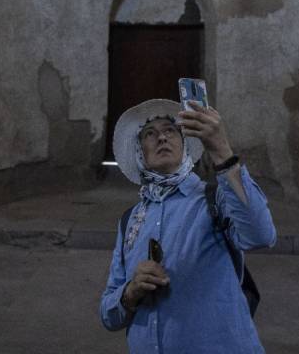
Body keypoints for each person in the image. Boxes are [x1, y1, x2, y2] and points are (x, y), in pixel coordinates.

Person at [99, 98, 276, 353]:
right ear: (140, 154)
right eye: (150, 134)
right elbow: (108, 315)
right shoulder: (130, 220)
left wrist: (222, 151)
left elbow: (261, 235)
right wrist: (130, 292)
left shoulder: (214, 199)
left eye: (170, 131)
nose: (161, 138)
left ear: (185, 146)